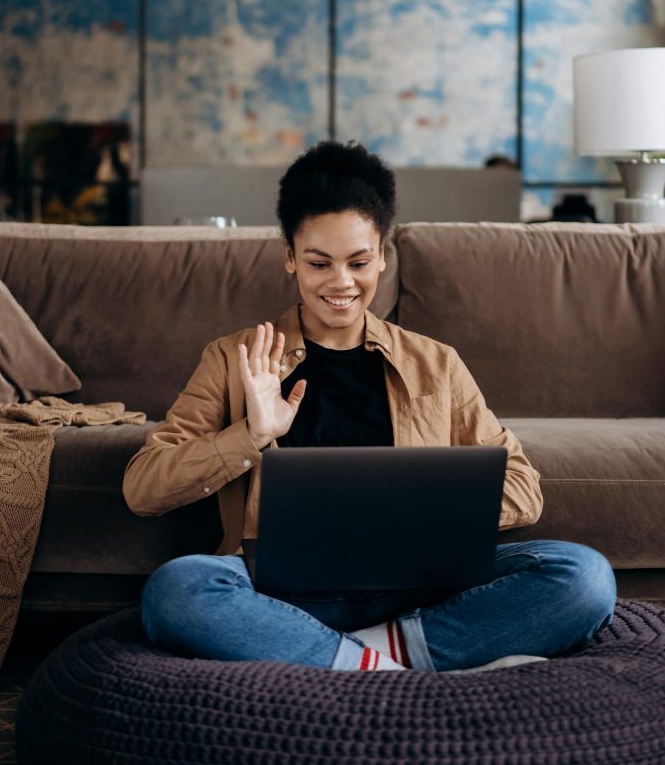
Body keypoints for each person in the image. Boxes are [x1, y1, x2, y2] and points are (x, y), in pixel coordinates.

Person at [123, 141, 616, 673]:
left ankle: (348, 660)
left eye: (359, 262)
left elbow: (523, 487)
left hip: (415, 589)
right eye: (319, 263)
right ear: (290, 256)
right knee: (177, 590)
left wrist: (414, 520)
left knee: (583, 576)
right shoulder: (234, 358)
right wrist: (251, 432)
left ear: (383, 253)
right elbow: (143, 487)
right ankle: (400, 661)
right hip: (281, 594)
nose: (341, 283)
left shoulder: (435, 362)